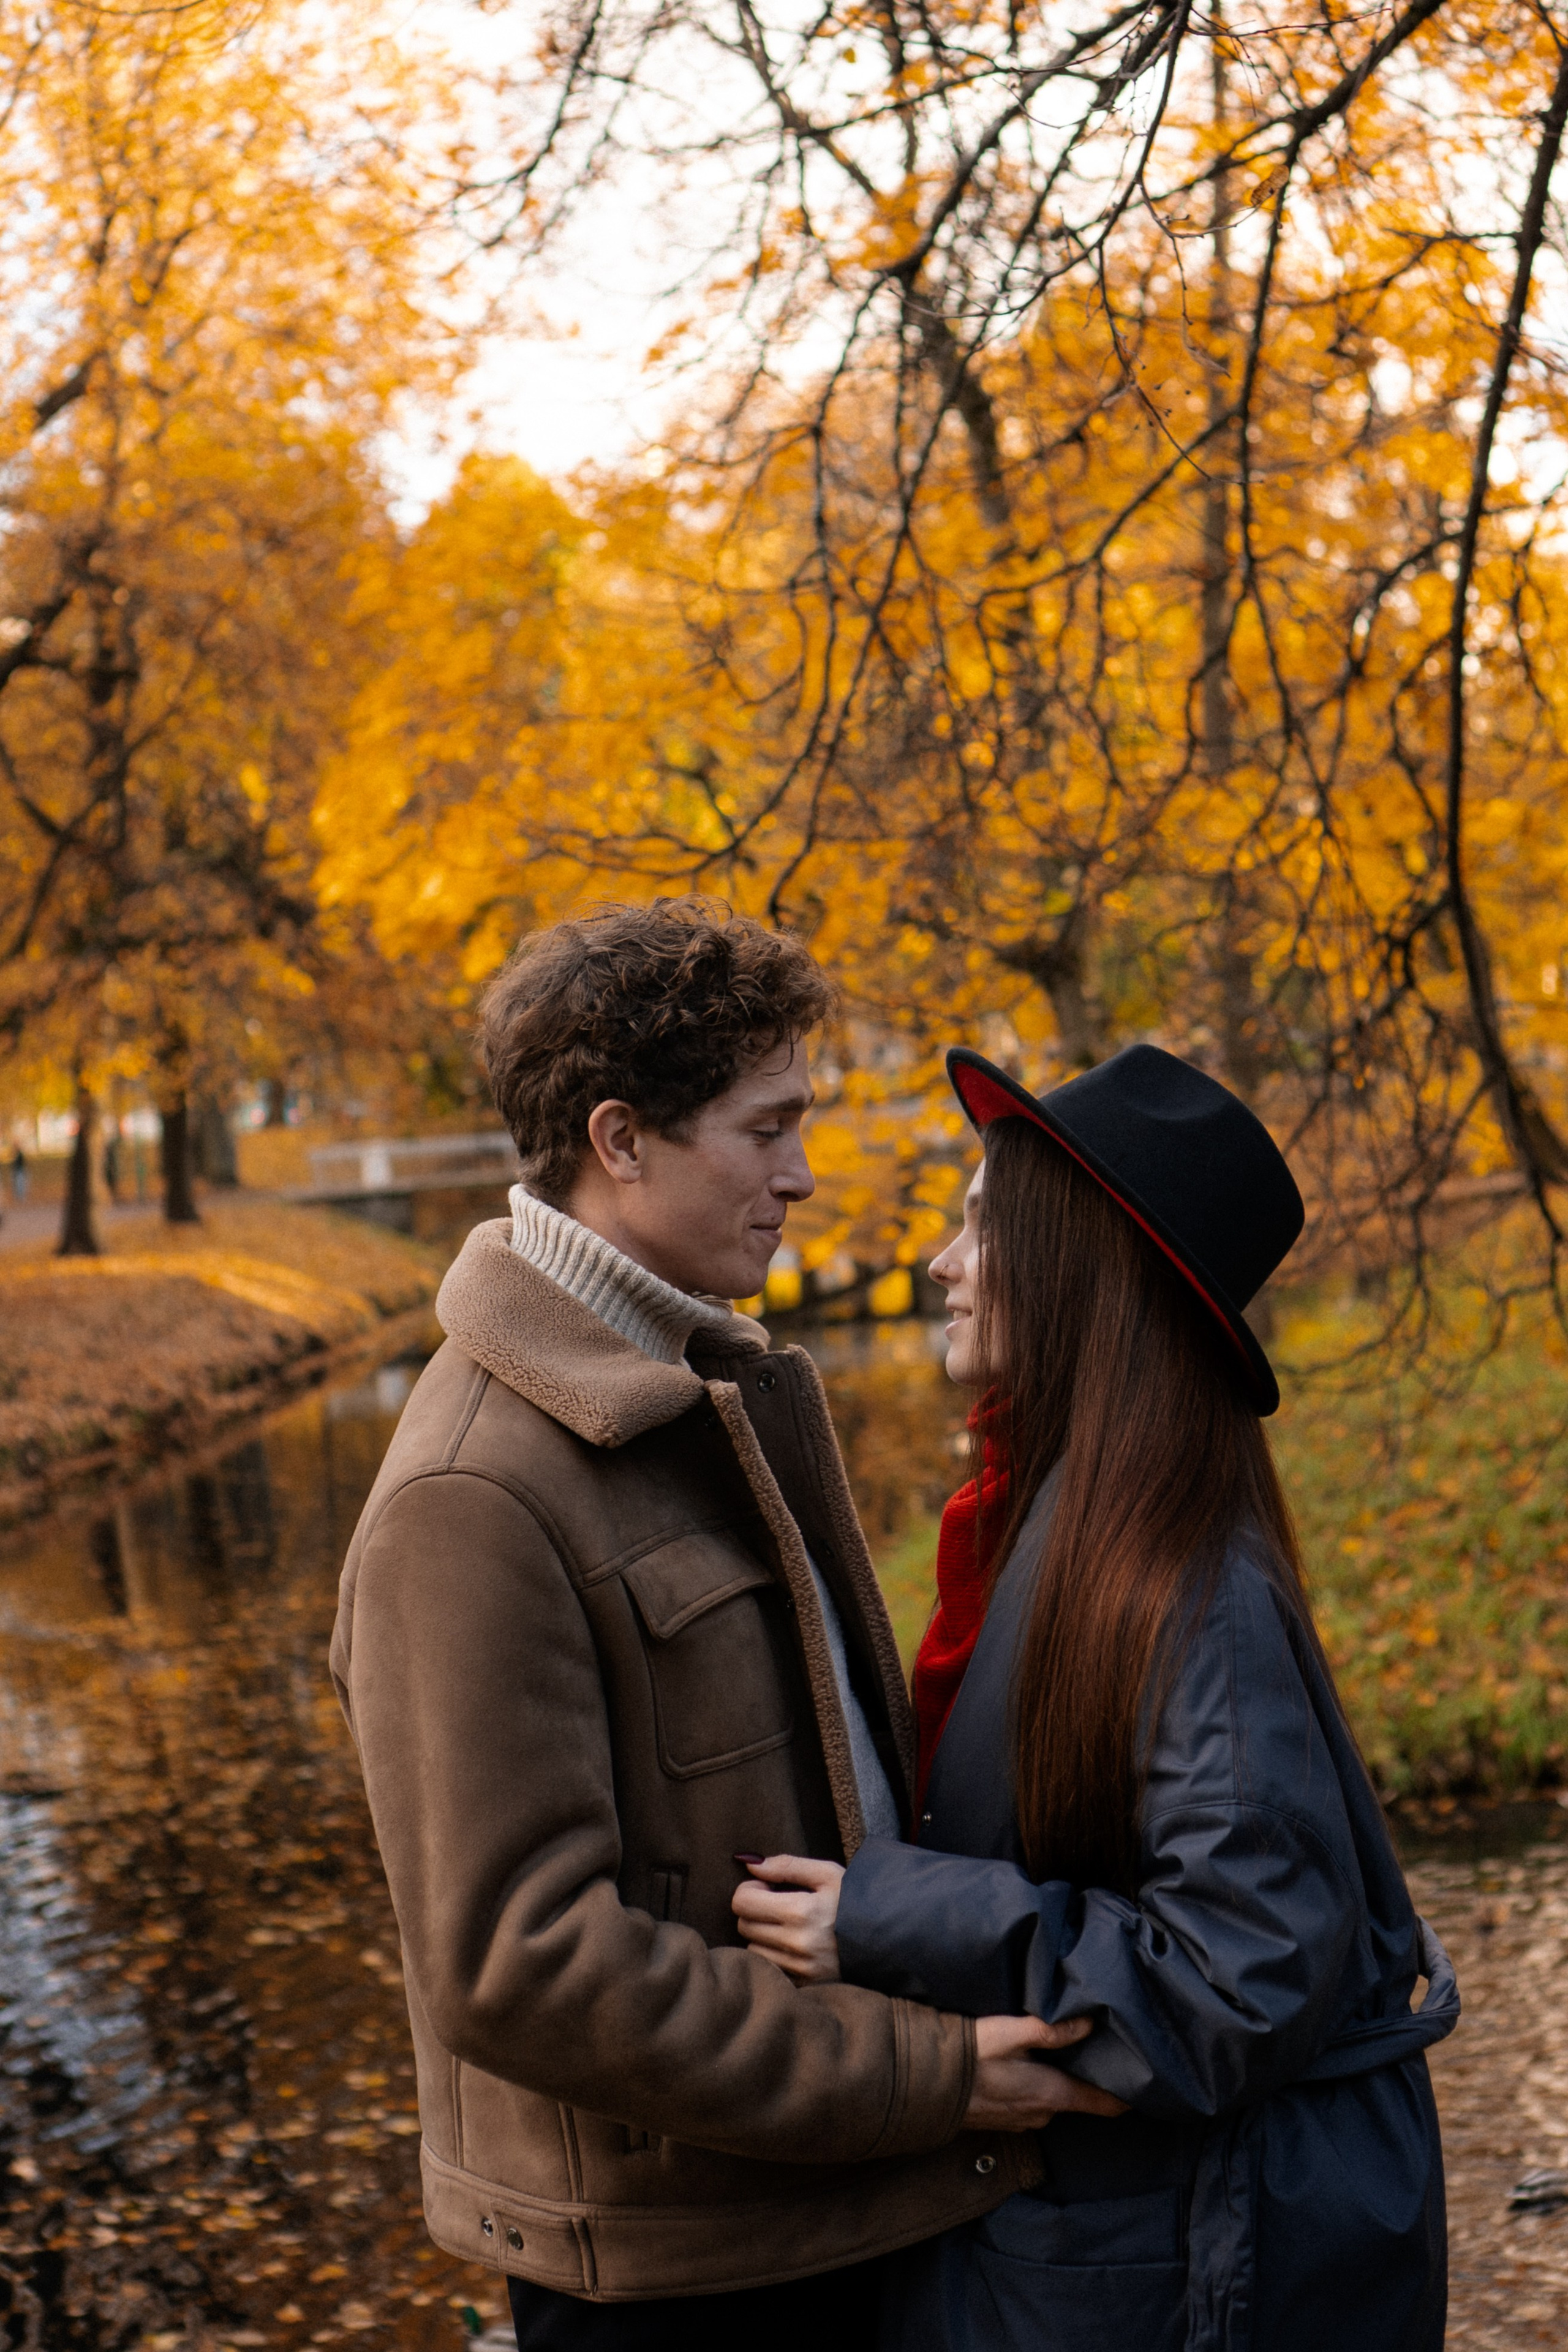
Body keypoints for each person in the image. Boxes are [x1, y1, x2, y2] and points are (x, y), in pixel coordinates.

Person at [330, 903, 1115, 2352]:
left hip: (827, 2217)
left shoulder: (696, 1379)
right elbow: (521, 1962)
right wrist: (929, 2075)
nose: (803, 1177)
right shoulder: (471, 1495)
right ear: (618, 1142)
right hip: (687, 2284)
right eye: (764, 1132)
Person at [733, 1042, 1457, 2352]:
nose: (944, 1265)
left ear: (1079, 1264)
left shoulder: (1184, 1585)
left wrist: (892, 1918)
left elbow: (1237, 1974)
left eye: (977, 1227)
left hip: (1178, 2281)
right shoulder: (1059, 1526)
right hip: (1103, 2256)